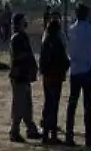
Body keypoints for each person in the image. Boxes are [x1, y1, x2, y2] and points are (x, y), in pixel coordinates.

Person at [65, 3, 91, 147]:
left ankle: (69, 135)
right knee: (88, 106)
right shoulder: (89, 29)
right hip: (88, 69)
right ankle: (89, 137)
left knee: (72, 103)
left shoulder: (71, 30)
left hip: (74, 69)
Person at [7, 13, 42, 143]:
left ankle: (31, 129)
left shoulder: (20, 37)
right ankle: (14, 131)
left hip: (23, 75)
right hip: (19, 76)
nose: (25, 23)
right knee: (19, 105)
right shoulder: (17, 38)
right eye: (23, 21)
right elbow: (19, 57)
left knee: (27, 105)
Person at [38, 15, 69, 145]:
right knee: (54, 106)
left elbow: (42, 61)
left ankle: (45, 134)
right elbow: (64, 61)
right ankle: (53, 135)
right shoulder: (58, 42)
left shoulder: (45, 42)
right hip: (56, 77)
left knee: (47, 104)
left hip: (47, 77)